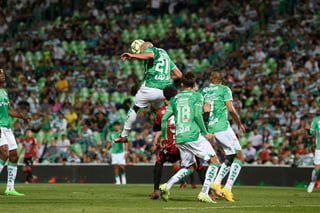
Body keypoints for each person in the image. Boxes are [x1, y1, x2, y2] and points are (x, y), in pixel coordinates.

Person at [159, 72, 220, 203]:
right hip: (192, 135)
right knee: (214, 161)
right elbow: (198, 115)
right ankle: (204, 193)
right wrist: (206, 132)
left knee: (190, 167)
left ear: (181, 84)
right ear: (194, 84)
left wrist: (164, 136)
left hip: (179, 137)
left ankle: (167, 185)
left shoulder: (174, 98)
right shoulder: (197, 96)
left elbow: (164, 119)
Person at [114, 40, 182, 143]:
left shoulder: (150, 49)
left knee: (135, 108)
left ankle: (124, 135)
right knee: (156, 109)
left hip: (150, 88)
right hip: (164, 91)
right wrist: (166, 77)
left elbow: (150, 55)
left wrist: (132, 56)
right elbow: (179, 75)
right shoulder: (165, 54)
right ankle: (163, 129)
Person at [149, 85, 205, 200]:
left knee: (159, 160)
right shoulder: (186, 107)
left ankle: (156, 191)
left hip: (171, 148)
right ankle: (207, 192)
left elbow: (156, 127)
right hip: (186, 143)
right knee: (198, 163)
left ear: (165, 97)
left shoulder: (161, 112)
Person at [199, 71, 245, 202]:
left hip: (210, 129)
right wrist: (239, 123)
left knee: (232, 155)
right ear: (222, 80)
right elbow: (230, 109)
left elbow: (200, 110)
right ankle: (227, 187)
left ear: (210, 78)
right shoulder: (225, 89)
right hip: (222, 127)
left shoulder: (202, 91)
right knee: (239, 156)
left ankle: (218, 183)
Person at [0, 68, 31, 196]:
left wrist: (22, 116)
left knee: (14, 155)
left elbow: (9, 110)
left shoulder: (3, 92)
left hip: (7, 127)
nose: (3, 75)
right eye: (0, 73)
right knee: (4, 153)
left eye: (2, 72)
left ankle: (10, 188)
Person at [306, 111, 320, 193]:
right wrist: (308, 130)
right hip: (319, 147)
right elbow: (310, 133)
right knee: (318, 166)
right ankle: (312, 182)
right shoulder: (316, 119)